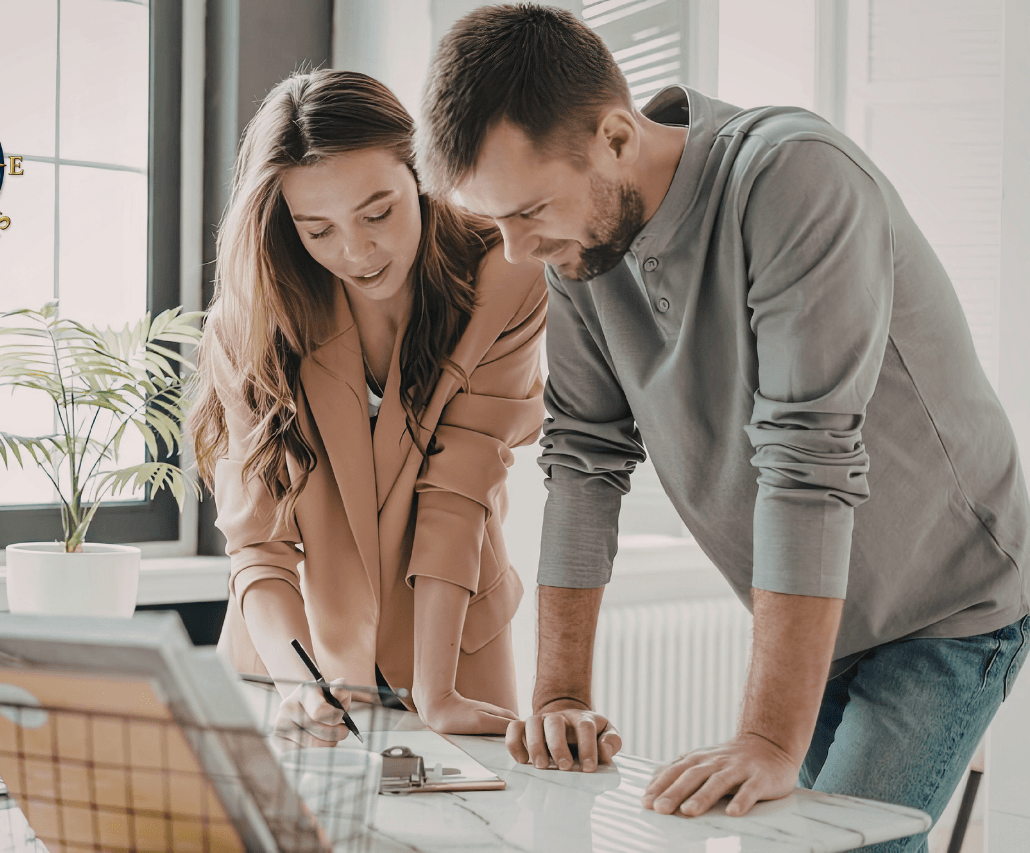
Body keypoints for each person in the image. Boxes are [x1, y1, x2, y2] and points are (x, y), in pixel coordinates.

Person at [415, 4, 1030, 849]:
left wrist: (768, 739)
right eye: (498, 222)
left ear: (616, 137)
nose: (516, 251)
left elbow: (806, 458)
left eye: (529, 211)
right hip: (830, 615)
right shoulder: (579, 249)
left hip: (946, 603)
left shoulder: (795, 178)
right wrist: (559, 696)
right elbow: (584, 459)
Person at [189, 69, 548, 746]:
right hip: (292, 659)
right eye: (317, 230)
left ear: (422, 172)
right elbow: (258, 544)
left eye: (378, 213)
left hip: (451, 653)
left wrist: (437, 693)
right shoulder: (252, 321)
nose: (355, 252)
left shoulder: (506, 274)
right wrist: (302, 687)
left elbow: (460, 490)